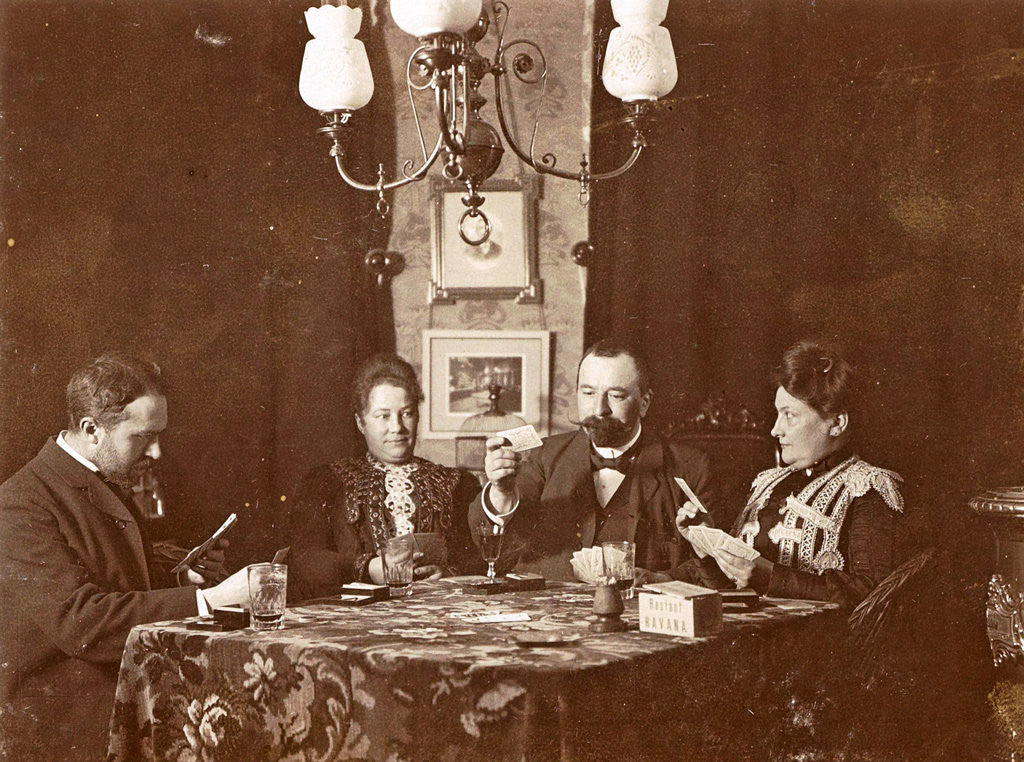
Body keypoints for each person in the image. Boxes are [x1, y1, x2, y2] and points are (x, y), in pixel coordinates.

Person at [0, 353, 251, 761]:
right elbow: (82, 620)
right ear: (91, 429)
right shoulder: (19, 504)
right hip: (66, 726)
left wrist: (180, 579)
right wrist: (211, 601)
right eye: (142, 436)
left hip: (125, 696)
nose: (155, 453)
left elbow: (112, 579)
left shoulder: (99, 478)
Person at [679, 339, 903, 608]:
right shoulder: (766, 483)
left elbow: (872, 595)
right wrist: (708, 549)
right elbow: (733, 595)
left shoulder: (868, 488)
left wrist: (770, 577)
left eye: (790, 415)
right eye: (777, 414)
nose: (775, 430)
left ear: (837, 423)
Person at [471, 339, 717, 582]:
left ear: (645, 403)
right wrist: (501, 492)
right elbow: (496, 549)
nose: (599, 409)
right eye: (588, 393)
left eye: (616, 396)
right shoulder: (543, 456)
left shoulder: (690, 467)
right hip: (548, 611)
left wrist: (662, 578)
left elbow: (715, 566)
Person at [289, 354, 482, 599]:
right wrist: (367, 568)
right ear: (361, 422)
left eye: (407, 413)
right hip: (354, 621)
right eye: (383, 416)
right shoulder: (326, 482)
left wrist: (448, 573)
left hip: (437, 615)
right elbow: (304, 559)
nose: (397, 427)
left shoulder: (456, 483)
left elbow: (482, 558)